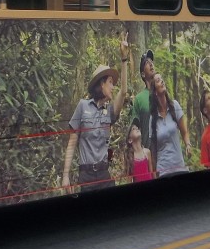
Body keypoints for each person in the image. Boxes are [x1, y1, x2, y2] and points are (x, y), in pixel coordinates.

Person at [62, 31, 130, 191]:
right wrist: (65, 176)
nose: (113, 87)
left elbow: (124, 92)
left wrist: (124, 58)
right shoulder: (82, 106)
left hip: (104, 174)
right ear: (101, 85)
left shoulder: (110, 111)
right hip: (86, 176)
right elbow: (72, 144)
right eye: (110, 83)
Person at [148, 72, 191, 176]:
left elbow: (184, 132)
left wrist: (188, 145)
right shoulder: (152, 118)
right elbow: (153, 150)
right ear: (155, 92)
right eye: (158, 80)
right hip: (163, 170)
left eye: (162, 79)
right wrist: (154, 173)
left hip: (179, 166)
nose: (162, 81)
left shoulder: (174, 106)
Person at [132, 49, 156, 127]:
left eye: (151, 62)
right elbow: (134, 128)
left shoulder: (162, 92)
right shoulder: (139, 99)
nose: (151, 64)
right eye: (147, 63)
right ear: (143, 74)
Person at [125, 118, 153, 182]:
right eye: (133, 129)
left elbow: (152, 174)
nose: (137, 128)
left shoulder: (147, 152)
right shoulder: (130, 157)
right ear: (130, 140)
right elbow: (129, 181)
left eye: (137, 127)